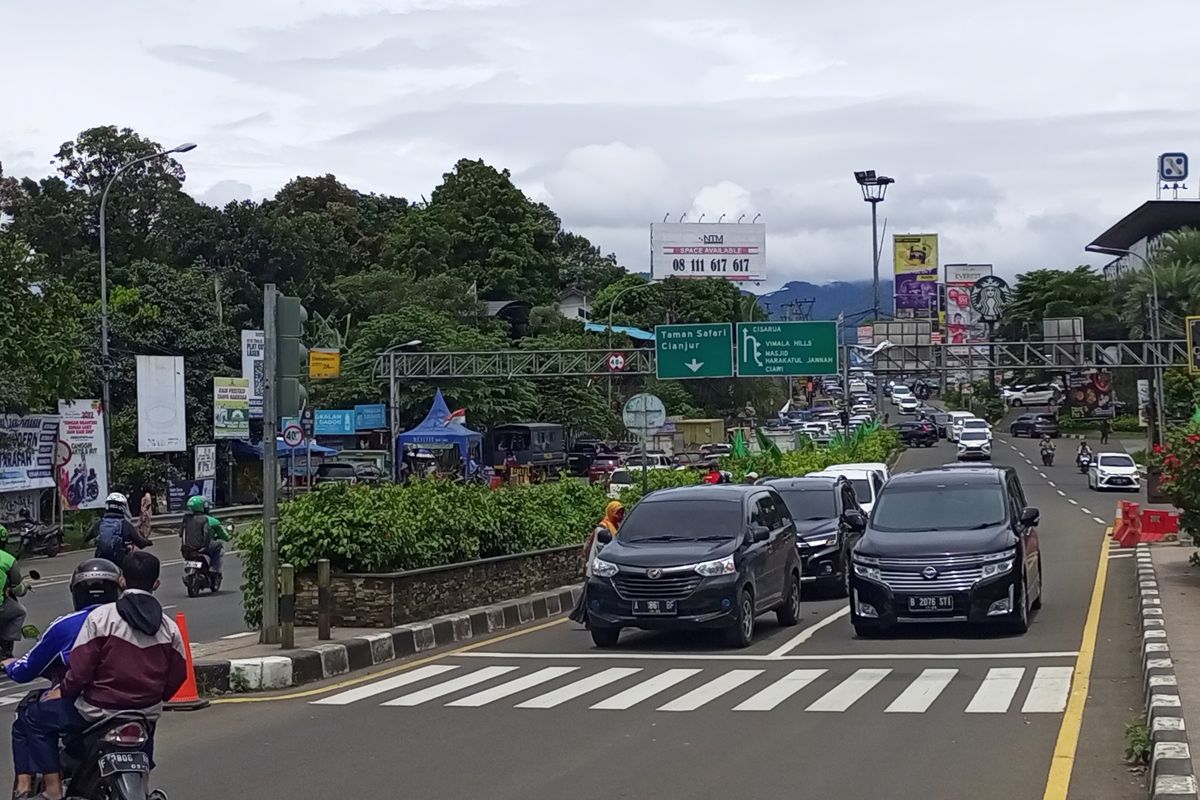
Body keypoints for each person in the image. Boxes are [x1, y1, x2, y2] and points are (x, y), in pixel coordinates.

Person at [22, 552, 186, 800]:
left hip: (98, 711)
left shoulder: (101, 618)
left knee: (33, 718)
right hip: (145, 712)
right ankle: (145, 784)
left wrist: (64, 690)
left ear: (122, 582)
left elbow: (80, 671)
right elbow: (178, 675)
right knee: (146, 726)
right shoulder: (168, 627)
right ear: (156, 584)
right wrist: (153, 697)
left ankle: (54, 790)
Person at [6, 559, 121, 800]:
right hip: (138, 704)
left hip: (88, 705)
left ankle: (46, 789)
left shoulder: (68, 625)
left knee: (30, 716)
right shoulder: (133, 621)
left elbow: (27, 669)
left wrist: (10, 665)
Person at [568, 501, 624, 625]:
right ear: (611, 512)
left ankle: (585, 618)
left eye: (621, 513)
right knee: (590, 597)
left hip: (605, 567)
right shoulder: (602, 528)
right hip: (598, 567)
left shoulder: (616, 527)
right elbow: (602, 549)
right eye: (617, 513)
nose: (620, 516)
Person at [85, 492, 152, 569]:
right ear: (122, 507)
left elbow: (87, 538)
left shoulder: (100, 523)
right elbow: (140, 543)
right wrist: (148, 542)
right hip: (119, 562)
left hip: (100, 561)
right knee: (135, 572)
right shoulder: (125, 524)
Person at [180, 495, 225, 588]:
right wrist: (205, 545)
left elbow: (181, 533)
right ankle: (213, 568)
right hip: (201, 548)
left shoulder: (186, 518)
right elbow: (206, 534)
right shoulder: (205, 519)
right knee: (219, 545)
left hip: (186, 549)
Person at [0, 526, 31, 659]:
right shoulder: (7, 559)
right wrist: (25, 586)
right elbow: (18, 589)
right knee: (20, 612)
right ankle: (6, 651)